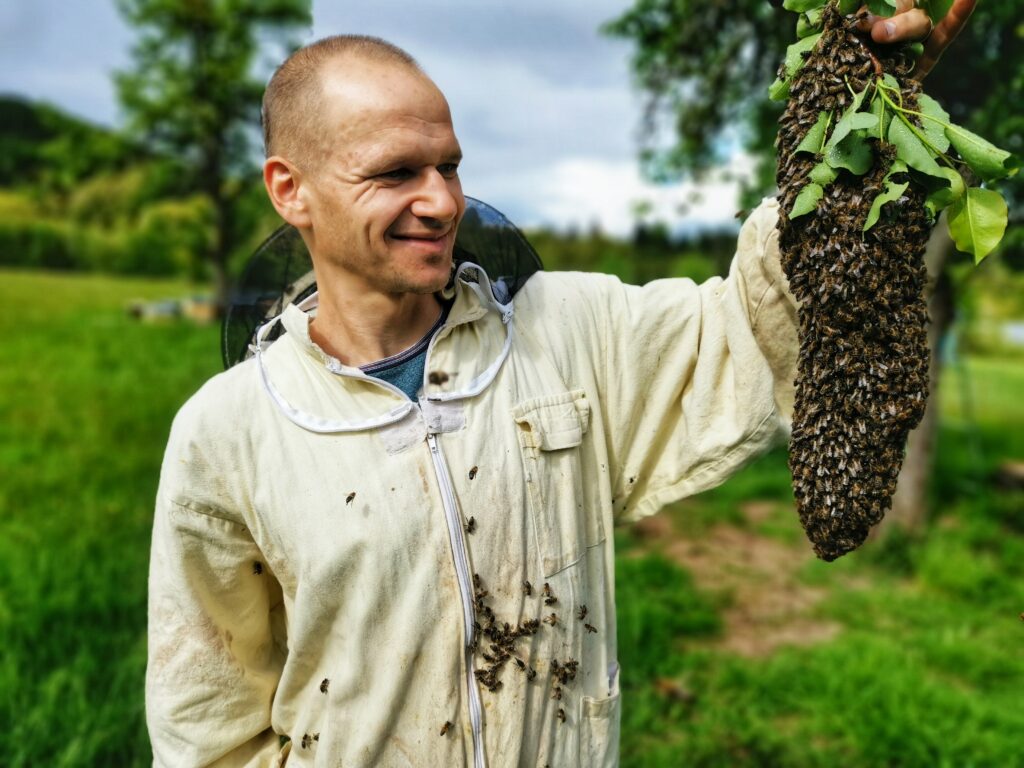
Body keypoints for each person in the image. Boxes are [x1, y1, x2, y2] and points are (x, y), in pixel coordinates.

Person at [146, 4, 974, 766]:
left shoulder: (568, 333)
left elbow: (751, 325)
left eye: (449, 166)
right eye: (395, 173)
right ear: (291, 190)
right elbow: (207, 725)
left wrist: (853, 121)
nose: (440, 201)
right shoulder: (226, 432)